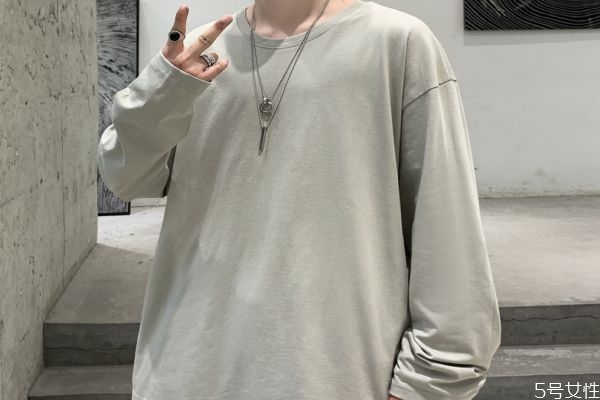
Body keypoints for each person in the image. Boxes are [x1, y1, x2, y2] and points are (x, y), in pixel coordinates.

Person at [97, 0, 502, 399]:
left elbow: (446, 225)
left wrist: (431, 380)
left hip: (332, 373)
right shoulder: (198, 53)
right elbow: (126, 179)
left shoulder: (397, 42)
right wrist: (161, 93)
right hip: (185, 370)